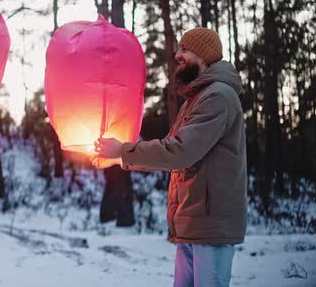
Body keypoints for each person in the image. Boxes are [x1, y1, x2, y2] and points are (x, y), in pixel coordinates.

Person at [94, 27, 247, 287]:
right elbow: (172, 152)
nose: (178, 55)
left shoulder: (217, 97)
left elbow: (179, 152)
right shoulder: (196, 100)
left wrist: (123, 150)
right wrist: (120, 158)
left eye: (185, 49)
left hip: (210, 226)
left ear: (203, 54)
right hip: (193, 224)